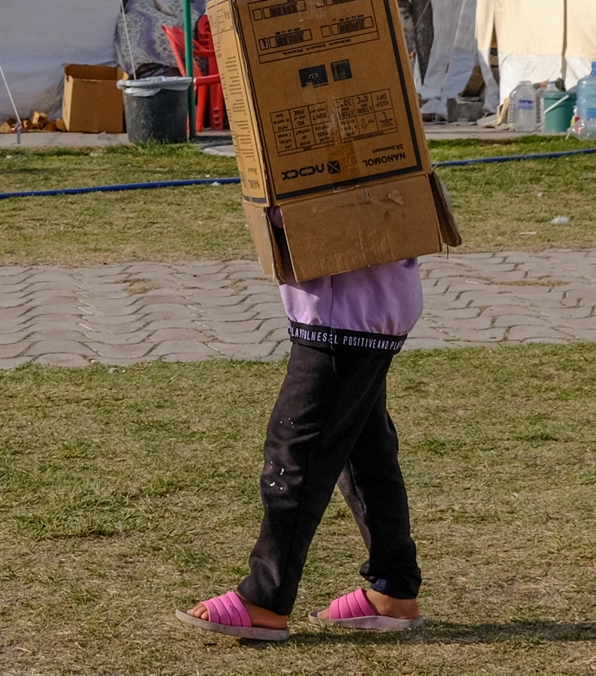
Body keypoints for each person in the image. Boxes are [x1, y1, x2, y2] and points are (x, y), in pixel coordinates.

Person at [176, 255, 427, 642]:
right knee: (365, 448)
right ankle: (393, 588)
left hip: (341, 314)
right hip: (371, 304)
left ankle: (266, 597)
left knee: (294, 450)